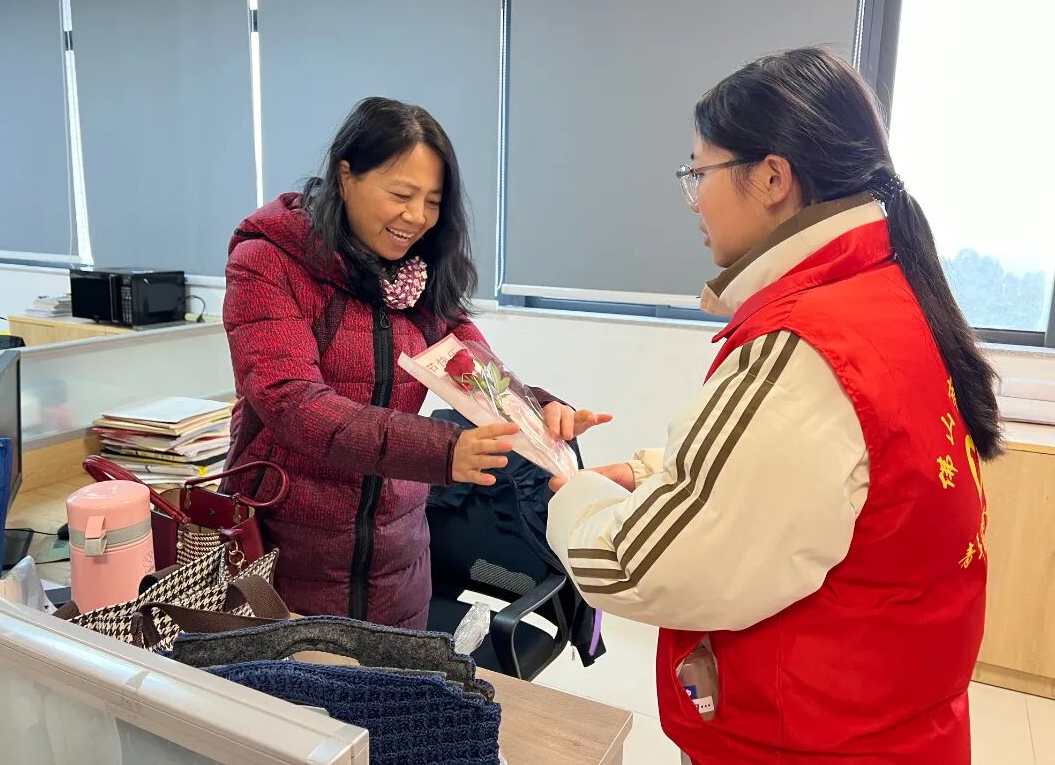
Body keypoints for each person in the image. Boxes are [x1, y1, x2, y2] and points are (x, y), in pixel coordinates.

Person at [546, 48, 999, 764]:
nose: (694, 200)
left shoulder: (806, 348)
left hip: (807, 741)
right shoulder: (886, 299)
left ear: (771, 178)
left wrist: (575, 498)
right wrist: (650, 472)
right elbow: (829, 479)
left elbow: (644, 566)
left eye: (699, 174)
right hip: (892, 720)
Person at [222, 97, 608, 629]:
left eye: (432, 202)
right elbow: (292, 403)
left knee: (396, 679)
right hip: (286, 549)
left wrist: (536, 410)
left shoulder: (416, 277)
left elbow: (476, 373)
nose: (417, 218)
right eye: (401, 195)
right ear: (346, 176)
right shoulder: (268, 263)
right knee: (293, 678)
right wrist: (442, 450)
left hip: (398, 554)